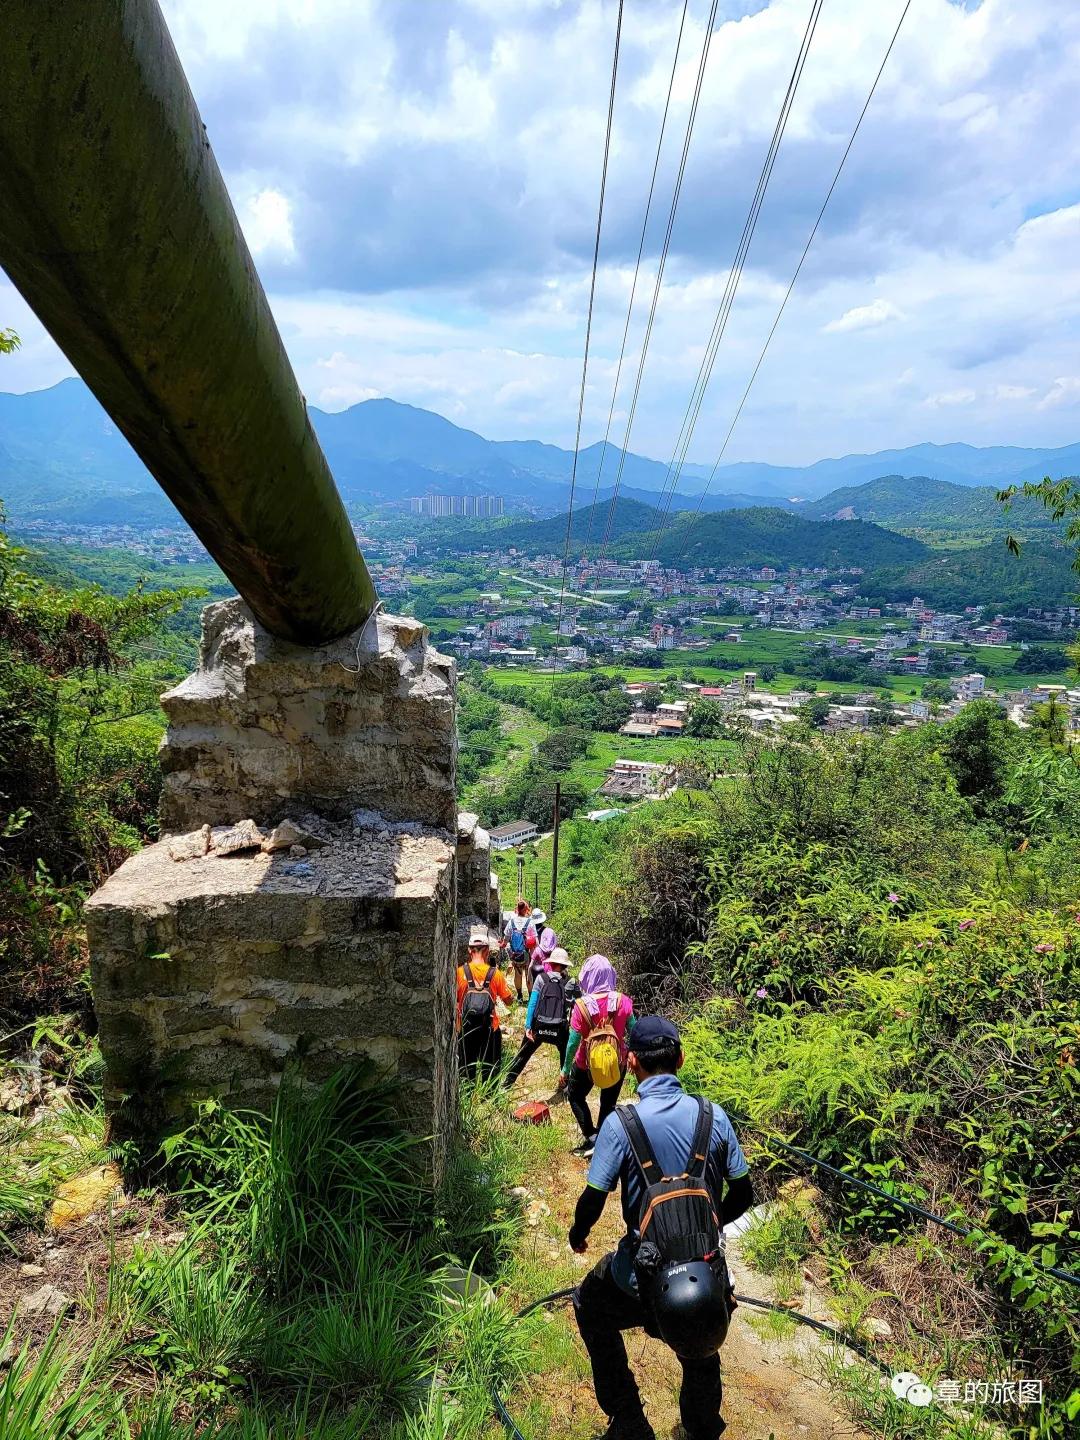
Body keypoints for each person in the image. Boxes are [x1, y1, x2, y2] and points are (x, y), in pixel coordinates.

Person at [568, 1017, 754, 1440]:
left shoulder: (620, 1124)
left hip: (641, 1278)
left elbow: (593, 1199)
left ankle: (629, 1420)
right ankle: (702, 1427)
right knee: (701, 1340)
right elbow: (744, 1193)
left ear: (631, 1063)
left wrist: (578, 1234)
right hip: (705, 1272)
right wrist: (705, 1226)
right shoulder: (714, 1116)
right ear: (681, 1059)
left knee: (589, 1306)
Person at [560, 955, 635, 1156]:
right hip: (616, 1062)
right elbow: (634, 1031)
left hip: (586, 1064)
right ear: (611, 975)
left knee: (575, 1095)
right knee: (608, 1103)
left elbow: (573, 1042)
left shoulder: (581, 1006)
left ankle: (591, 1136)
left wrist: (565, 1069)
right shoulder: (624, 1001)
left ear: (587, 977)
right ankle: (602, 1140)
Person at [503, 946, 573, 1087]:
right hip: (560, 1030)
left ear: (551, 963)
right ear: (565, 965)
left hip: (538, 1027)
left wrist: (528, 1026)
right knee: (565, 1056)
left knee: (522, 1055)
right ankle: (565, 1087)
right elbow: (576, 1006)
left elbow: (533, 1002)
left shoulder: (541, 978)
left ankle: (507, 1084)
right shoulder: (570, 982)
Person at [456, 926, 513, 1081]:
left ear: (469, 950)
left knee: (466, 1068)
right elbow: (509, 1001)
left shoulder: (459, 973)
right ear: (487, 950)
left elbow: (454, 1001)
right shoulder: (495, 974)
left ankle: (468, 1094)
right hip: (489, 1026)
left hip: (465, 1027)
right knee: (490, 1067)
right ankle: (489, 1097)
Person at [502, 898, 537, 1002]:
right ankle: (530, 997)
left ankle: (520, 996)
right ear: (526, 909)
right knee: (528, 975)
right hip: (527, 953)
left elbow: (506, 939)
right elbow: (534, 940)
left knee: (518, 975)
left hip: (515, 954)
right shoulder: (530, 922)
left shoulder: (511, 922)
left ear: (516, 909)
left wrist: (503, 944)